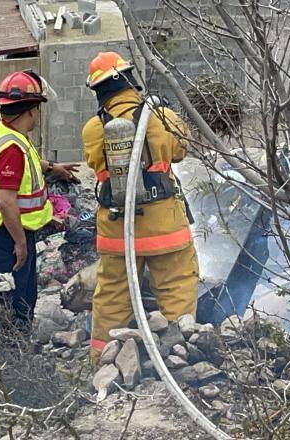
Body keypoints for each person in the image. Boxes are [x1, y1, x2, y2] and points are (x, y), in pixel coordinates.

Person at [81, 52, 199, 362]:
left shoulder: (94, 129)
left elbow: (94, 164)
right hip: (166, 229)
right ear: (129, 80)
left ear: (99, 91)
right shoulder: (160, 117)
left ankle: (100, 365)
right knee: (176, 291)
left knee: (111, 299)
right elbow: (182, 150)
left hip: (118, 231)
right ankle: (178, 359)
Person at [0, 70, 79, 333]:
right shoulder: (11, 147)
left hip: (4, 233)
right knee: (17, 304)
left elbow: (27, 164)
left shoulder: (3, 134)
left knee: (16, 297)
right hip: (8, 236)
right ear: (32, 110)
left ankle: (14, 355)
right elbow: (6, 202)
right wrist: (20, 243)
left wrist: (52, 167)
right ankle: (15, 362)